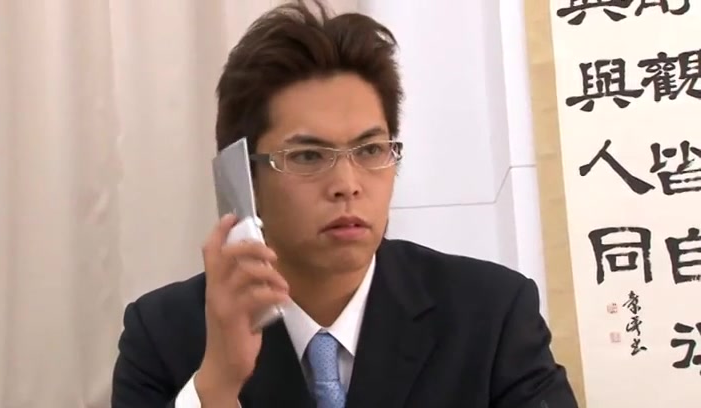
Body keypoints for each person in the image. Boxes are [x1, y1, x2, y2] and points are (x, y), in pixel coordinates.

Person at [111, 1, 579, 407]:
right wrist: (217, 383)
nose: (347, 184)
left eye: (371, 150)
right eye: (308, 156)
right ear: (243, 178)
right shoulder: (162, 335)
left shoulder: (491, 314)